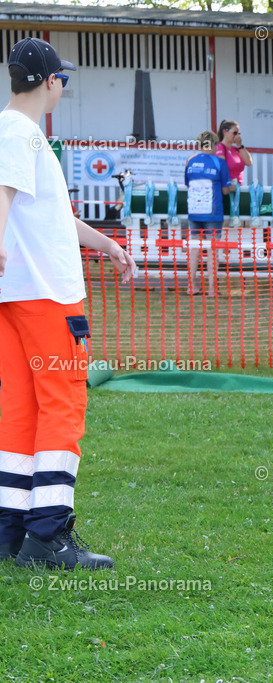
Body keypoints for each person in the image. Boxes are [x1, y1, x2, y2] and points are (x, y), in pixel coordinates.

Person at [0, 38, 136, 569]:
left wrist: (105, 243)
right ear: (49, 81)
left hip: (17, 297)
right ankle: (50, 533)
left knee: (18, 409)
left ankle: (12, 528)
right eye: (64, 79)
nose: (64, 88)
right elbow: (4, 194)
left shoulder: (14, 132)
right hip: (49, 295)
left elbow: (49, 217)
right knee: (62, 404)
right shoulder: (23, 134)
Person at [185, 130, 235, 297]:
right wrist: (233, 186)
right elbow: (226, 190)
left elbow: (188, 183)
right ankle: (212, 289)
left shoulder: (190, 162)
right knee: (212, 250)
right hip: (212, 211)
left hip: (194, 210)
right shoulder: (219, 162)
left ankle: (192, 287)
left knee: (194, 248)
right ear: (214, 145)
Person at [215, 119, 253, 186]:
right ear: (225, 132)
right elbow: (220, 169)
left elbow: (249, 162)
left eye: (239, 133)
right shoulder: (220, 147)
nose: (237, 136)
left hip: (238, 187)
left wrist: (239, 145)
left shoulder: (237, 149)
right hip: (227, 188)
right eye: (235, 133)